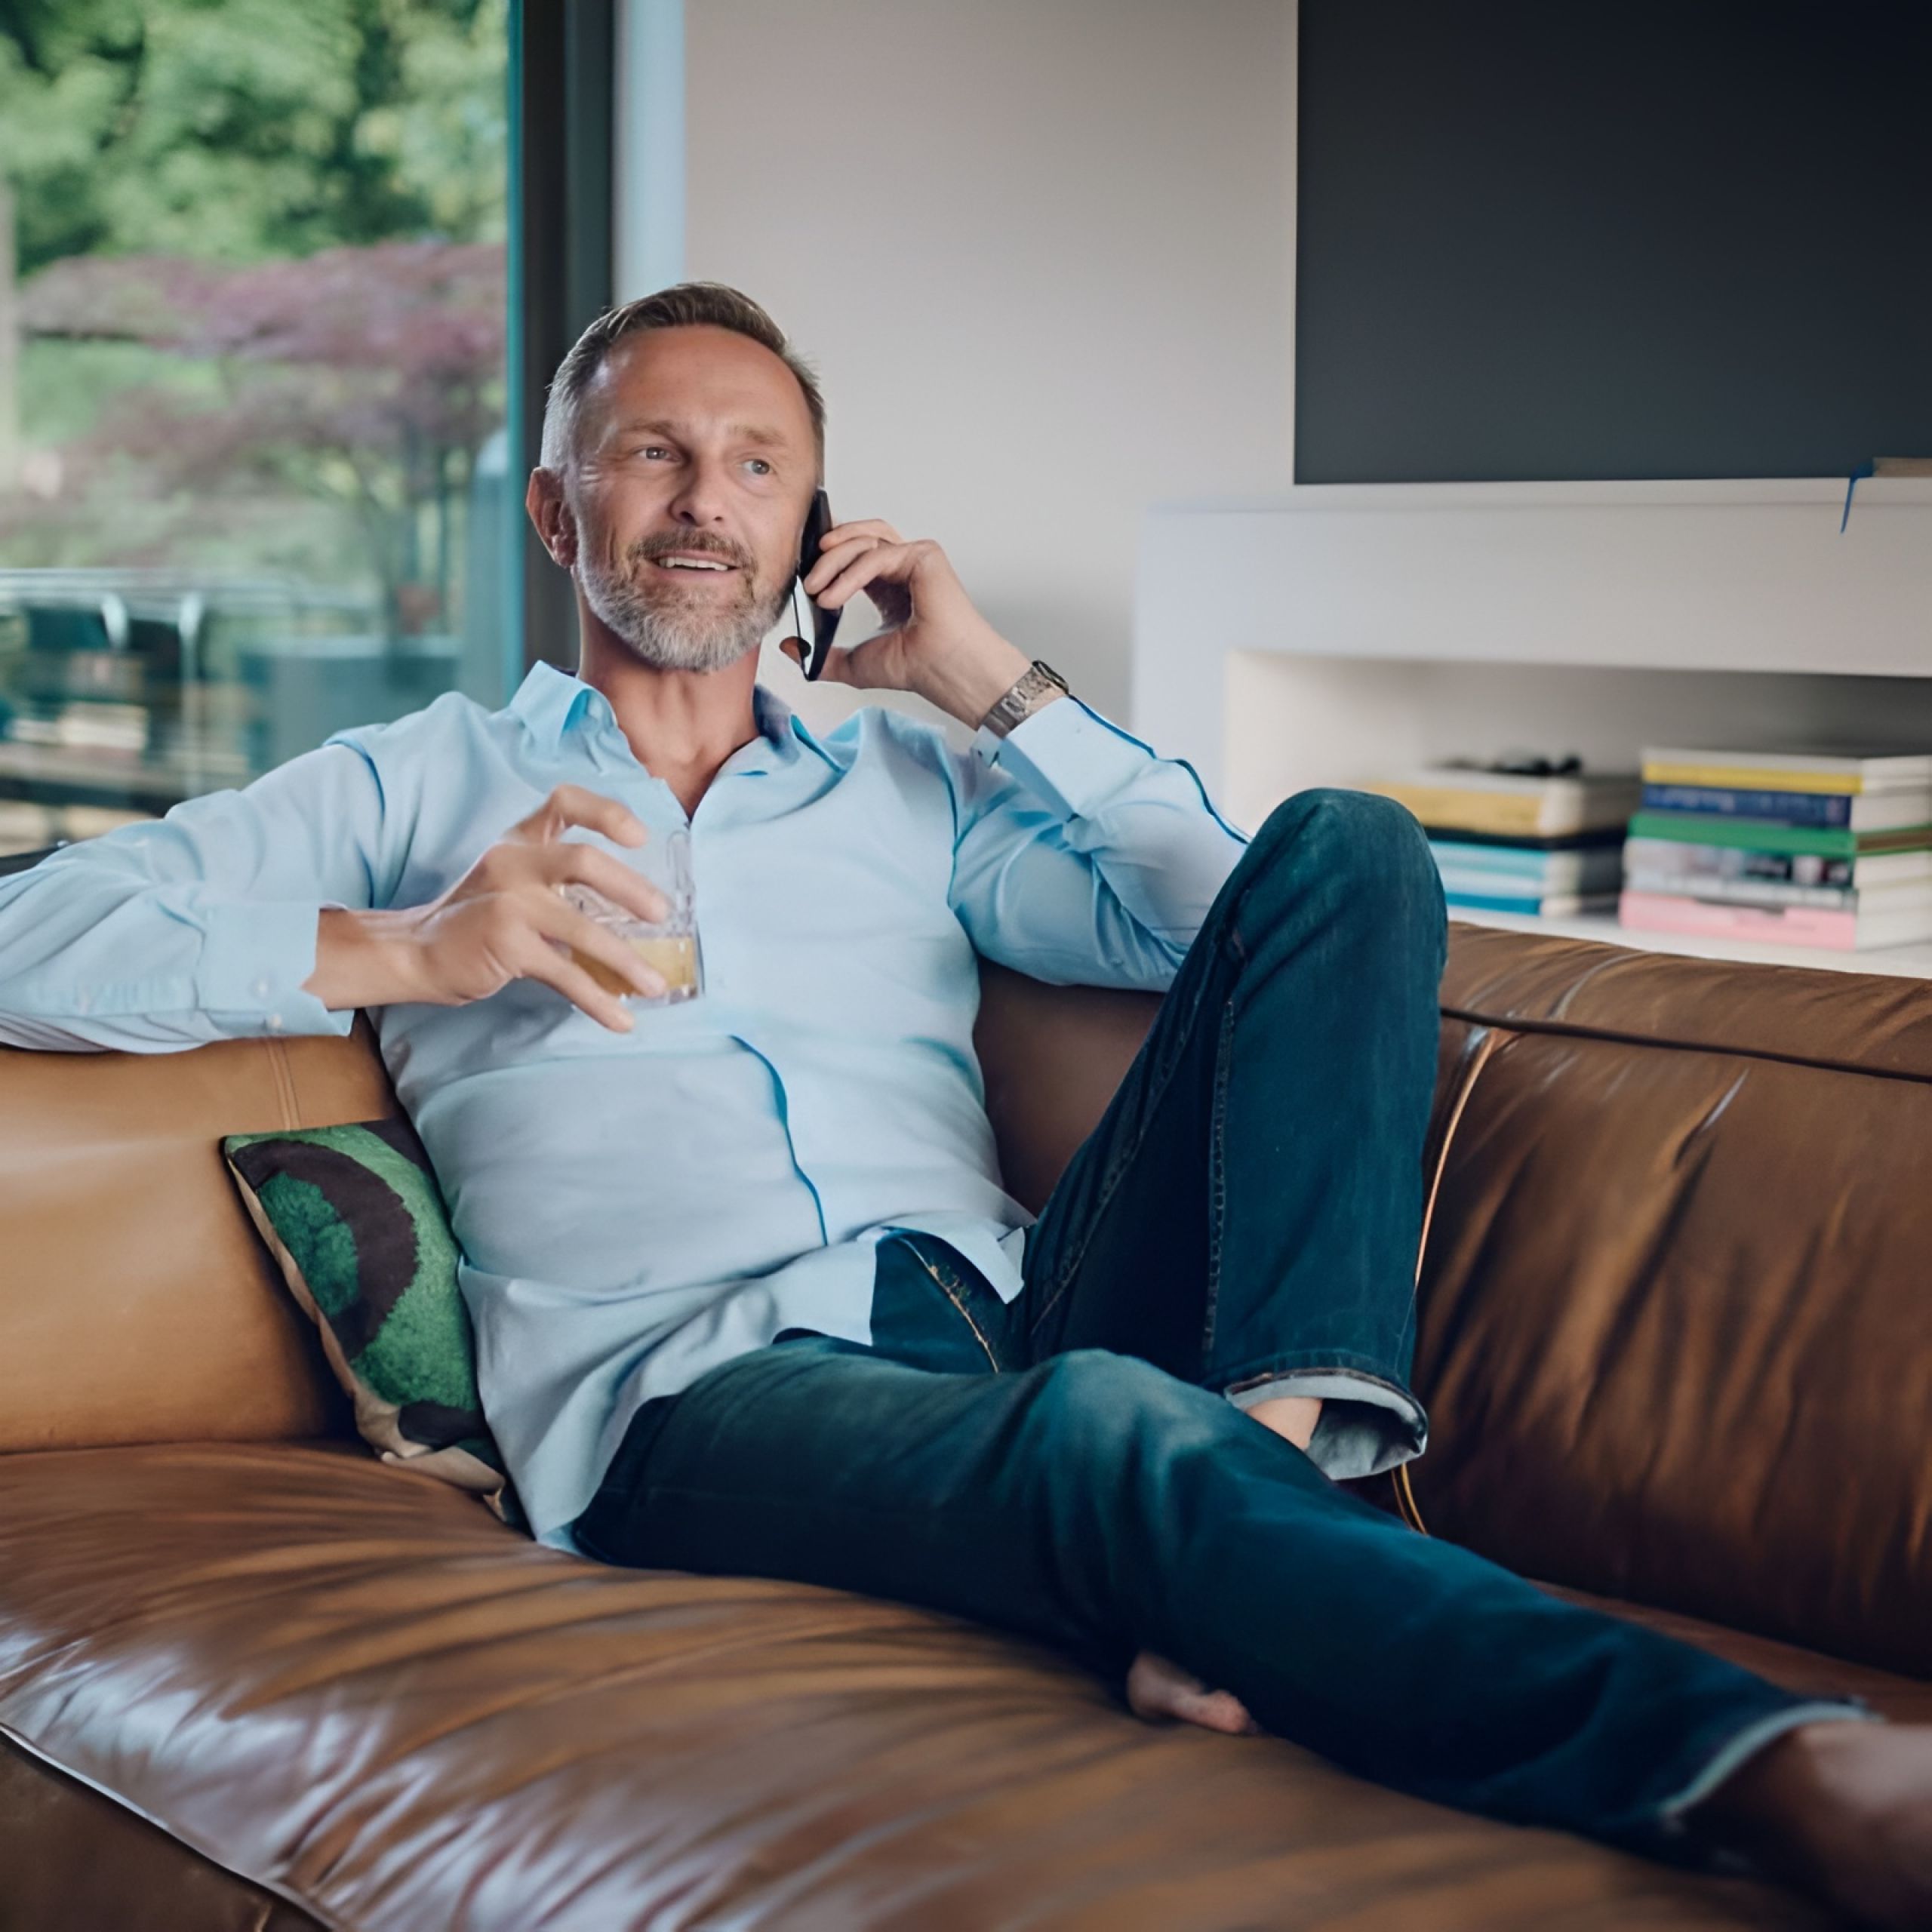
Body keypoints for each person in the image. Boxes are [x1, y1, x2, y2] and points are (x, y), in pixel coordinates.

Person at [0, 282, 1925, 1927]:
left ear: (811, 520)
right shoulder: (416, 783)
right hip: (698, 1387)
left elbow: (1231, 921)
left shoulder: (905, 790)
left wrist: (985, 679)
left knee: (1352, 841)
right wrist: (413, 947)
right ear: (553, 510)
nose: (705, 504)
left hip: (1011, 1306)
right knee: (1102, 1425)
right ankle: (1775, 1770)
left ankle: (1252, 1482)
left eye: (757, 464)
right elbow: (34, 937)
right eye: (654, 454)